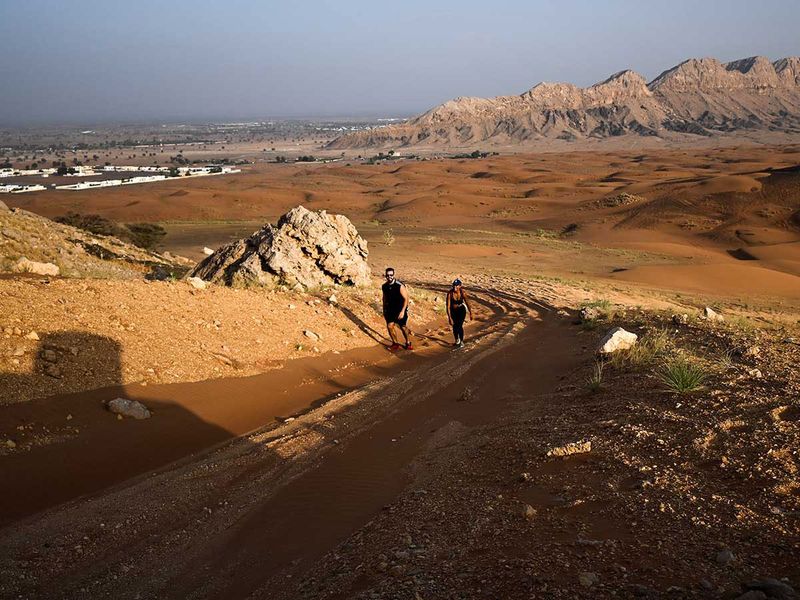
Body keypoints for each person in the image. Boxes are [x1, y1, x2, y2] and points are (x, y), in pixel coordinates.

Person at [381, 267, 412, 351]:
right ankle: (395, 343)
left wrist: (402, 311)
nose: (389, 277)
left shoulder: (399, 286)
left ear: (393, 275)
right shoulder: (384, 286)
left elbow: (406, 299)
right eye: (387, 275)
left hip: (400, 309)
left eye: (391, 275)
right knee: (390, 326)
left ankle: (408, 342)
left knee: (403, 327)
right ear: (385, 276)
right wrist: (384, 309)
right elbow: (384, 298)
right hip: (390, 310)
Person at [446, 278, 473, 348]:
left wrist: (471, 313)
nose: (455, 287)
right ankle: (456, 340)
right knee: (454, 326)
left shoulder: (462, 292)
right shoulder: (450, 294)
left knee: (459, 325)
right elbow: (448, 307)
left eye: (456, 286)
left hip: (461, 310)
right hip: (453, 311)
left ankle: (461, 341)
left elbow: (467, 302)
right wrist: (449, 318)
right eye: (454, 285)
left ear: (460, 286)